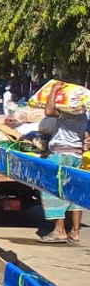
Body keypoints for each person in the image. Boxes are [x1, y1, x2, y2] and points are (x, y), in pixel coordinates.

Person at [38, 91, 87, 243]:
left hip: (61, 155)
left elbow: (48, 111)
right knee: (74, 192)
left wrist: (53, 90)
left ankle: (59, 231)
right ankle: (75, 232)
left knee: (53, 190)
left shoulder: (67, 113)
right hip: (77, 155)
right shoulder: (84, 115)